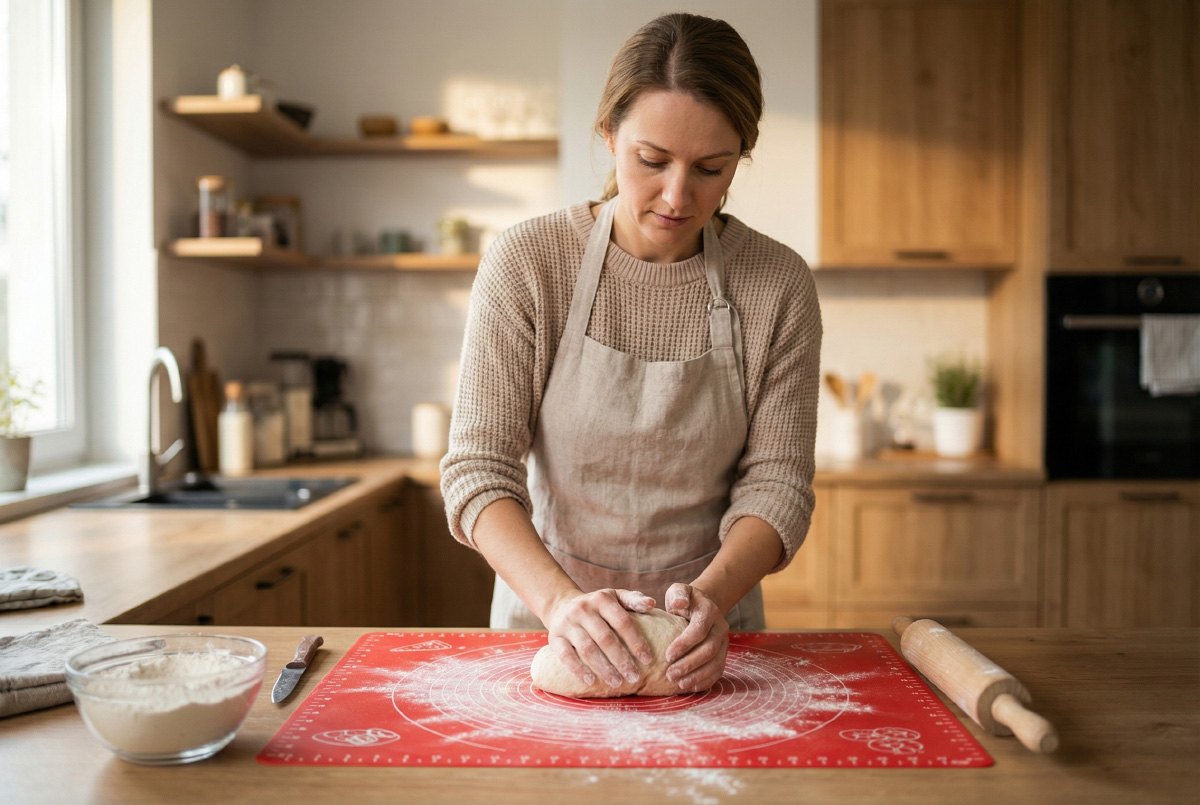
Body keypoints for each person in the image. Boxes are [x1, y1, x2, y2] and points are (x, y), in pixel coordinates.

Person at [440, 12, 821, 694]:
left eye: (712, 167)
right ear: (609, 134)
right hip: (547, 621)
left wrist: (707, 600)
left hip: (707, 638)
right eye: (652, 160)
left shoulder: (777, 283)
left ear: (742, 154)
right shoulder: (529, 263)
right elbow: (477, 473)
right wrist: (562, 607)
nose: (679, 196)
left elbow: (778, 485)